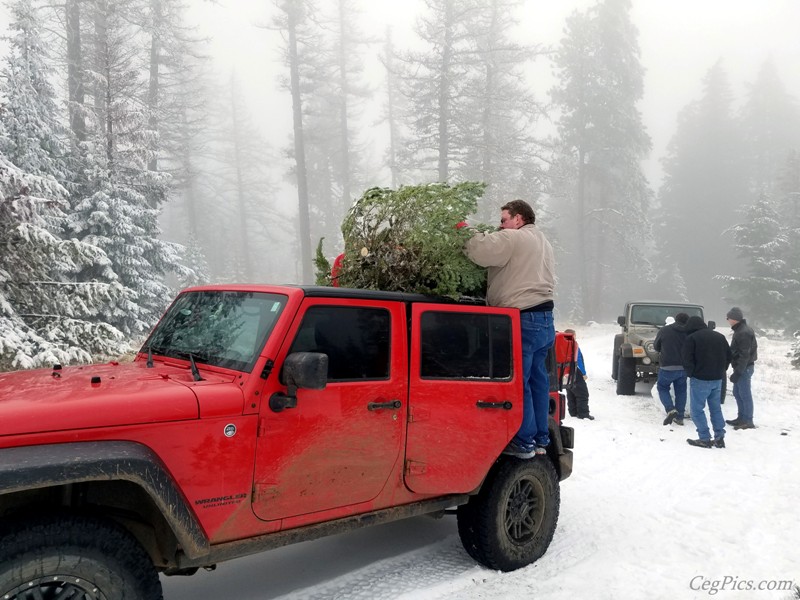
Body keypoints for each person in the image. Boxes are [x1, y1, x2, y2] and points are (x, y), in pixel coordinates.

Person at [464, 199, 555, 458]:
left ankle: (523, 441)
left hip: (522, 318)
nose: (500, 225)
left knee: (519, 382)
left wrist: (464, 230)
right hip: (545, 318)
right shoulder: (543, 242)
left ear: (519, 219)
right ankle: (540, 438)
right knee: (538, 381)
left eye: (504, 220)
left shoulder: (515, 238)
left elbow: (482, 250)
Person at [682, 315, 732, 449]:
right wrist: (721, 370)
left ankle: (704, 438)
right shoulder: (720, 337)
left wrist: (690, 373)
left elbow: (687, 359)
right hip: (717, 379)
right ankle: (719, 437)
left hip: (700, 379)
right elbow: (729, 355)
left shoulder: (691, 338)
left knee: (697, 410)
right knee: (715, 408)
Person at [725, 306, 758, 430]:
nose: (727, 320)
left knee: (744, 394)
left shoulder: (744, 332)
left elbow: (745, 354)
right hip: (740, 367)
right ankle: (741, 417)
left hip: (744, 367)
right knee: (737, 393)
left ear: (734, 319)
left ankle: (748, 420)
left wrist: (738, 372)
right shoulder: (740, 330)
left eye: (728, 318)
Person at [654, 312, 689, 426]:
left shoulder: (664, 330)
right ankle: (680, 417)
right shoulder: (689, 332)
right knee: (681, 392)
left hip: (667, 367)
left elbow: (656, 346)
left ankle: (670, 409)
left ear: (675, 319)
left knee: (663, 387)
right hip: (683, 368)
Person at [563, 329, 594, 420]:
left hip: (566, 372)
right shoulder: (574, 345)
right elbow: (578, 360)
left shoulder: (563, 345)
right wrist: (583, 373)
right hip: (576, 372)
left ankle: (573, 412)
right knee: (583, 393)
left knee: (571, 391)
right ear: (572, 335)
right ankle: (583, 414)